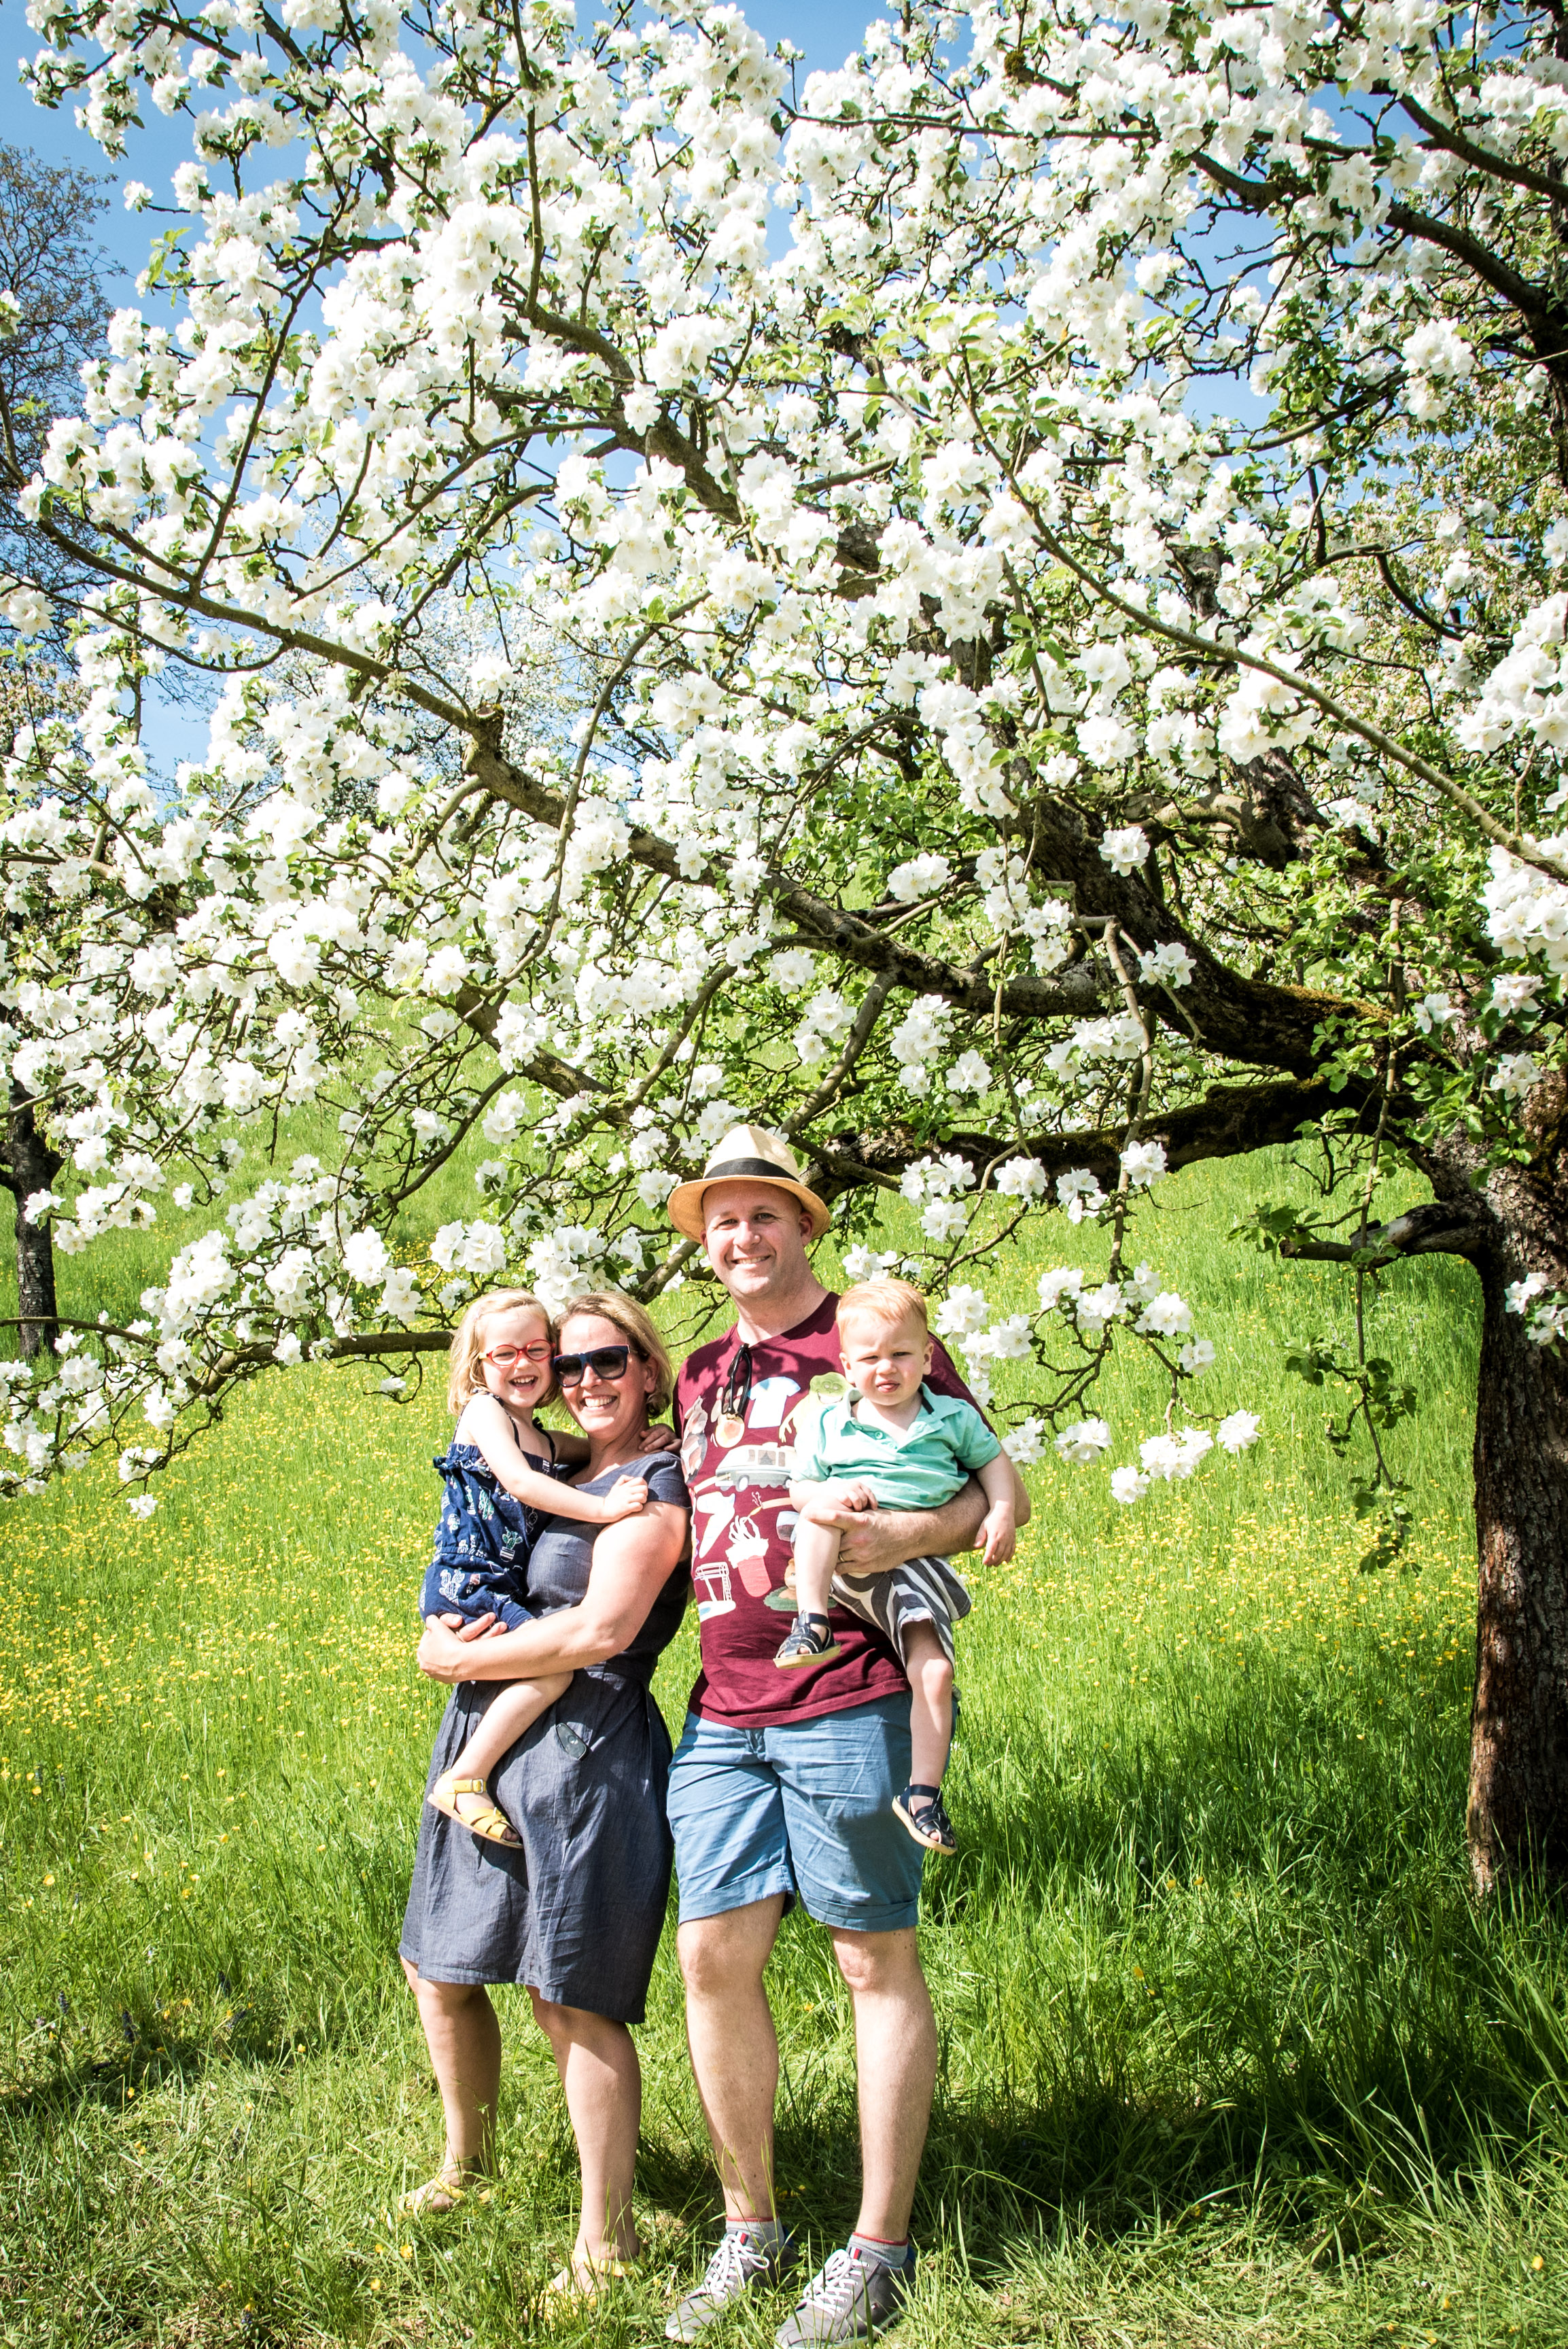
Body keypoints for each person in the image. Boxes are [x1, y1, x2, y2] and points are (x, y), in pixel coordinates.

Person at [660, 1127, 1030, 2346]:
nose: (742, 1236)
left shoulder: (873, 1338)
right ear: (705, 1242)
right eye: (722, 1219)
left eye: (763, 1213)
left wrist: (904, 1538)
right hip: (723, 1702)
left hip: (850, 1688)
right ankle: (749, 2230)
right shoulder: (700, 1371)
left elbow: (981, 1492)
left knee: (870, 1958)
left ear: (804, 1226)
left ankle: (877, 2248)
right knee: (710, 1960)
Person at [400, 1292, 690, 2297]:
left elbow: (601, 1631)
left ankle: (605, 2240)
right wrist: (450, 1638)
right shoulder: (566, 1464)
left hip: (584, 1749)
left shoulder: (654, 1485)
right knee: (439, 1965)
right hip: (492, 1734)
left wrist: (451, 1657)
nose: (586, 1380)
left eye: (609, 1361)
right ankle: (466, 2165)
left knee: (567, 1995)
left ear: (647, 1368)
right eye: (570, 1366)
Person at [778, 1277, 1017, 1857]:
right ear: (846, 1366)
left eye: (901, 1354)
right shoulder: (830, 1422)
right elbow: (800, 1489)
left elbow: (994, 1465)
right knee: (817, 1514)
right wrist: (829, 1494)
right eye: (869, 1359)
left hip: (915, 1561)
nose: (885, 1369)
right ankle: (811, 1621)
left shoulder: (951, 1417)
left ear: (928, 1357)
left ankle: (923, 1795)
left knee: (935, 1672)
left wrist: (1002, 1512)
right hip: (842, 1547)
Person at [420, 1287, 667, 1846]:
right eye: (504, 1354)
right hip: (471, 1577)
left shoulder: (541, 1438)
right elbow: (521, 1481)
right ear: (478, 1367)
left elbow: (588, 1449)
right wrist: (603, 1509)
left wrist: (655, 1437)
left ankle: (470, 1772)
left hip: (495, 1581)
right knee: (551, 1670)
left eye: (537, 1350)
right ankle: (464, 1776)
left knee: (541, 1666)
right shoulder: (485, 1412)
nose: (522, 1364)